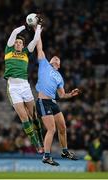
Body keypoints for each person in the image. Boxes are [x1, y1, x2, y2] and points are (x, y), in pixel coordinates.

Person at [35, 35, 81, 166]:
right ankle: (46, 156)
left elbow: (61, 95)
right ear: (50, 61)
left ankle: (65, 151)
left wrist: (70, 94)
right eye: (53, 57)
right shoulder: (44, 65)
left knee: (63, 127)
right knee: (51, 129)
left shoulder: (59, 77)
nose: (55, 57)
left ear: (59, 65)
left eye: (58, 59)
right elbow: (39, 47)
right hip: (43, 102)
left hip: (53, 102)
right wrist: (37, 31)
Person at [4, 21, 43, 153]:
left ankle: (41, 139)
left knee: (34, 116)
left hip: (25, 86)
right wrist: (25, 26)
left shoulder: (26, 52)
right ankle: (36, 143)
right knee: (24, 117)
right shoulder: (9, 50)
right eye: (16, 42)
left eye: (20, 43)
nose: (18, 43)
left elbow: (36, 39)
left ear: (23, 45)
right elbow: (15, 32)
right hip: (13, 88)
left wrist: (37, 28)